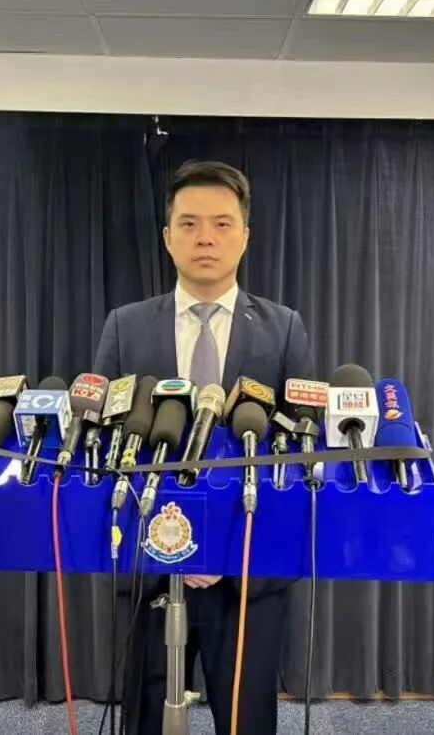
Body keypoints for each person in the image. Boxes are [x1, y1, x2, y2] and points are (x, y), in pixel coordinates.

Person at [94, 160, 314, 735]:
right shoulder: (125, 327)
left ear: (245, 235)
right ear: (168, 237)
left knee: (246, 720)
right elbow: (109, 447)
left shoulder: (283, 329)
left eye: (221, 224)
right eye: (189, 224)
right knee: (143, 718)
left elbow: (294, 454)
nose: (205, 238)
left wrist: (222, 551)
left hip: (245, 573)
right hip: (149, 563)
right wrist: (174, 546)